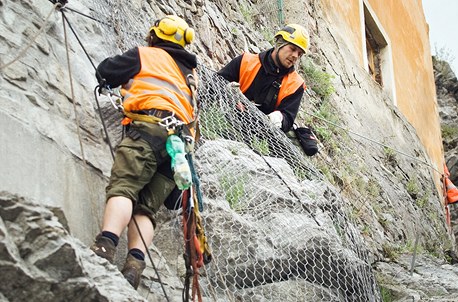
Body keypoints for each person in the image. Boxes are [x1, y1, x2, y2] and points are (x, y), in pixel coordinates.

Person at [90, 15, 198, 289]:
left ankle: (105, 246)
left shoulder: (146, 55)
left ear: (154, 36)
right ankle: (134, 266)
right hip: (178, 149)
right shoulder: (190, 77)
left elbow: (106, 71)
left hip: (149, 131)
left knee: (124, 189)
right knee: (146, 208)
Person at [217, 23, 309, 133]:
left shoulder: (296, 85)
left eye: (299, 54)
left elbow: (288, 119)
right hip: (227, 119)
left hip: (263, 135)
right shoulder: (246, 61)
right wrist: (228, 94)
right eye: (292, 48)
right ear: (280, 43)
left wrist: (279, 118)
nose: (295, 56)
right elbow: (216, 82)